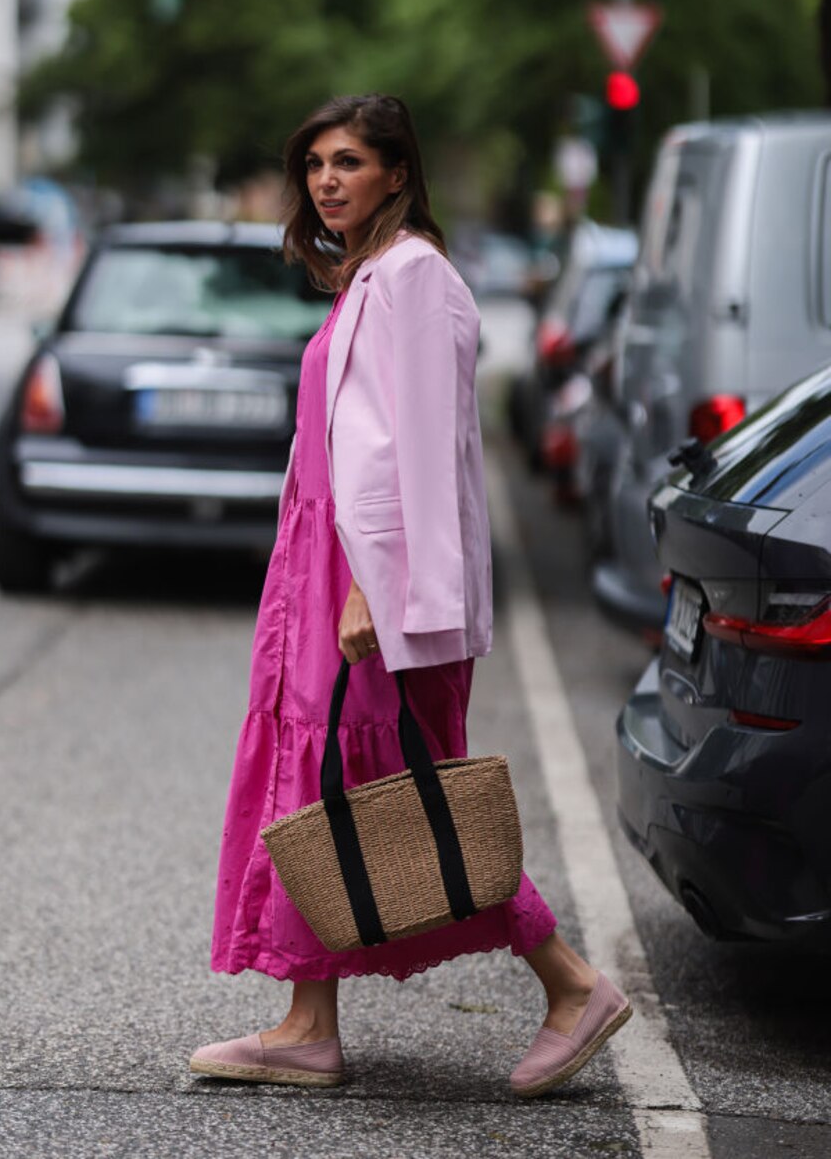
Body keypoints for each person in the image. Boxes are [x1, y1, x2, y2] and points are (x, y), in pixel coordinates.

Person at [190, 94, 631, 1097]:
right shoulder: (368, 278)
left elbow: (428, 449)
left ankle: (571, 984)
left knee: (404, 791)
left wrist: (375, 592)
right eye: (312, 165)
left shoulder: (415, 275)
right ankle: (306, 1021)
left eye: (347, 161)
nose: (325, 181)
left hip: (364, 579)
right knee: (318, 787)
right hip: (318, 566)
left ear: (397, 171)